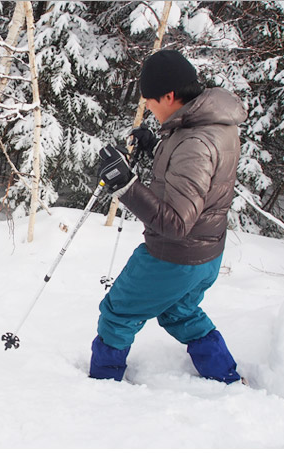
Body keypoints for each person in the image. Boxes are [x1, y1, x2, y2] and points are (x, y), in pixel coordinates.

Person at [91, 50, 247, 384]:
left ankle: (100, 388)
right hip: (205, 255)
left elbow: (176, 223)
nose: (147, 106)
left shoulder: (196, 140)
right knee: (181, 311)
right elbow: (194, 177)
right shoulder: (211, 123)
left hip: (173, 258)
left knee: (118, 313)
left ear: (169, 96)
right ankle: (227, 378)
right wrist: (154, 147)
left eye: (149, 99)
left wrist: (126, 185)